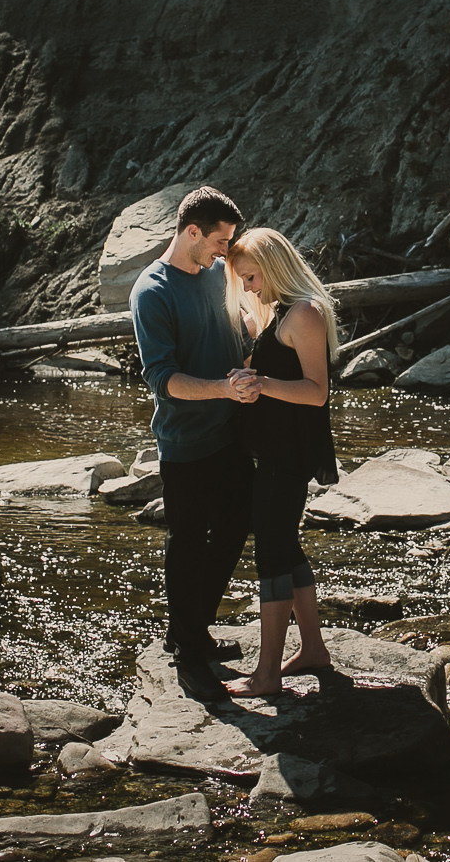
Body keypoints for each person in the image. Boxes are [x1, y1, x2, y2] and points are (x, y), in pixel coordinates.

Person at [128, 185, 258, 666]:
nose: (227, 252)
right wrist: (224, 389)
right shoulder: (152, 291)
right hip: (185, 441)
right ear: (192, 232)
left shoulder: (219, 272)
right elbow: (163, 380)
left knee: (235, 526)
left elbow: (239, 324)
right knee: (187, 540)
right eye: (220, 242)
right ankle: (188, 642)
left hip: (233, 431)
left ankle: (188, 629)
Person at [220, 227, 341, 697]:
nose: (249, 288)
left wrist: (263, 383)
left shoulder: (305, 313)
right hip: (276, 449)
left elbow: (317, 392)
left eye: (251, 277)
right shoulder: (283, 313)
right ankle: (313, 649)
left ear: (272, 268)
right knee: (285, 548)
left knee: (271, 554)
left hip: (288, 454)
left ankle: (266, 674)